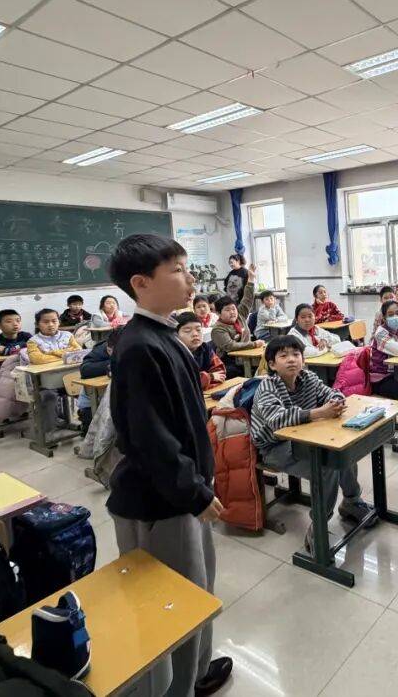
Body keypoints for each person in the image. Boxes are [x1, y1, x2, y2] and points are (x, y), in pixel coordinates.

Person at [106, 233, 232, 697]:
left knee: (197, 592)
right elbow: (150, 439)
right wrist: (194, 493)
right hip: (163, 502)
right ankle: (181, 687)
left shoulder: (164, 334)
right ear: (140, 283)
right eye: (177, 270)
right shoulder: (141, 345)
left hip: (184, 491)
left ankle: (196, 674)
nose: (190, 278)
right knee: (175, 605)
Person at [250, 336, 375, 553]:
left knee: (343, 453)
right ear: (272, 364)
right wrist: (319, 412)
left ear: (303, 359)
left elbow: (331, 392)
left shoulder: (308, 377)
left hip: (305, 438)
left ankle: (351, 502)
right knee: (326, 469)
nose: (291, 360)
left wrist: (336, 400)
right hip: (275, 447)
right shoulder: (267, 387)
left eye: (296, 354)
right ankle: (318, 526)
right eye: (283, 356)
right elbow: (278, 420)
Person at [77, 328, 121, 433]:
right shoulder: (102, 349)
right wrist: (112, 364)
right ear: (109, 350)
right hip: (92, 407)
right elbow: (85, 370)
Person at [209, 296, 264, 378]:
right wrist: (254, 344)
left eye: (233, 309)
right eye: (227, 310)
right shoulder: (217, 329)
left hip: (247, 355)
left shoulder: (240, 317)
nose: (232, 312)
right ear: (218, 313)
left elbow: (248, 299)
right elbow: (230, 346)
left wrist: (250, 285)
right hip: (230, 361)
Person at [176, 313, 226, 389]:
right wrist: (210, 377)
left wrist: (203, 383)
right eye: (187, 331)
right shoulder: (174, 354)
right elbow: (183, 383)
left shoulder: (206, 349)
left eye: (198, 330)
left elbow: (220, 373)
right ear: (176, 335)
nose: (195, 334)